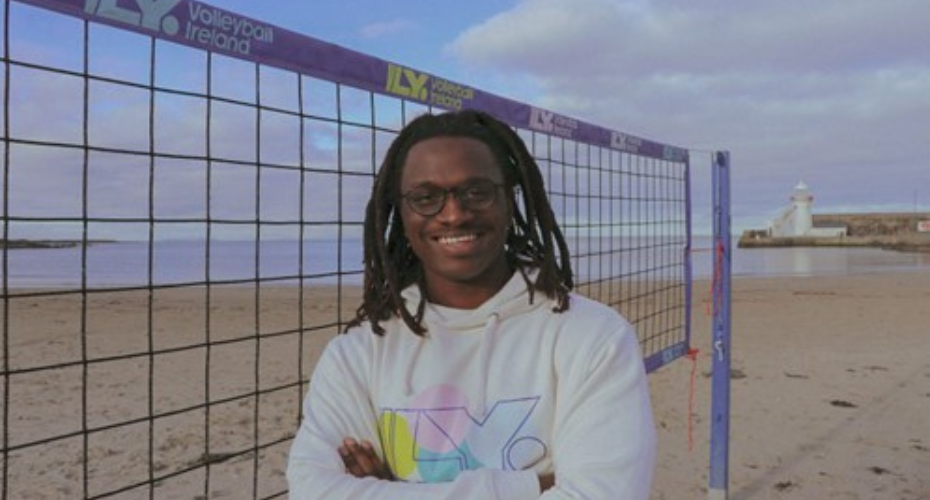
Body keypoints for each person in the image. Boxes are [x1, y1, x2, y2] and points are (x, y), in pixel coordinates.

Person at [287, 109, 656, 499]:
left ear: (508, 199)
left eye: (476, 192)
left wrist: (390, 490)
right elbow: (314, 491)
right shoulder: (357, 354)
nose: (454, 214)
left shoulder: (593, 336)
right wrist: (534, 485)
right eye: (426, 197)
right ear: (401, 212)